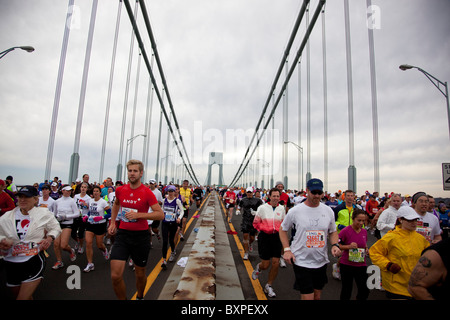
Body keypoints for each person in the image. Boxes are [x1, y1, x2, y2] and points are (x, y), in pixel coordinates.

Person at [108, 159, 164, 300]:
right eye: (130, 171)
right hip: (123, 234)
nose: (132, 174)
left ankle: (140, 296)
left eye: (135, 171)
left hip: (141, 237)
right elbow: (116, 204)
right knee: (115, 275)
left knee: (140, 274)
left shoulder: (147, 192)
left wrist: (139, 215)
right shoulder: (120, 190)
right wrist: (113, 223)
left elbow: (160, 214)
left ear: (141, 173)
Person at [280, 178, 341, 300]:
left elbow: (333, 231)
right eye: (314, 192)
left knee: (317, 296)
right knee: (308, 297)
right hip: (301, 260)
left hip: (321, 260)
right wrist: (287, 250)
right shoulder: (295, 211)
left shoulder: (328, 211)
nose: (317, 196)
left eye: (319, 193)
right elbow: (282, 229)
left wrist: (335, 245)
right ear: (307, 191)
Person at [0, 185, 61, 300]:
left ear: (35, 199)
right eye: (20, 197)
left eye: (26, 197)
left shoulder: (43, 213)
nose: (22, 200)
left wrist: (49, 238)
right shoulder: (8, 216)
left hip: (33, 260)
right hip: (11, 262)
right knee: (24, 297)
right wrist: (2, 240)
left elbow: (55, 228)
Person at [369, 206, 430, 299]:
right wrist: (388, 265)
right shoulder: (391, 237)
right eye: (410, 220)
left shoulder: (420, 239)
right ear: (400, 220)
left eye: (415, 220)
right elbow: (374, 252)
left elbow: (428, 256)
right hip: (395, 287)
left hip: (415, 286)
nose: (414, 223)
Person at [252, 188, 286, 298]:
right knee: (266, 265)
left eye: (277, 196)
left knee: (276, 262)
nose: (276, 198)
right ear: (269, 197)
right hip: (265, 237)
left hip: (277, 237)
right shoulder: (262, 208)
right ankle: (259, 267)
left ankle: (269, 285)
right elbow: (256, 223)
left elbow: (283, 223)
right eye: (274, 196)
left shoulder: (282, 208)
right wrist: (266, 228)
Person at [338, 209, 370, 300]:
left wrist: (366, 249)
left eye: (363, 221)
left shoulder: (364, 231)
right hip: (347, 264)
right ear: (353, 219)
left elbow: (364, 243)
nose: (361, 223)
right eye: (359, 220)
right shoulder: (345, 231)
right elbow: (338, 246)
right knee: (347, 290)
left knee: (364, 290)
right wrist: (349, 246)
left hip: (361, 264)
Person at [81, 185, 110, 272]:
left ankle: (104, 250)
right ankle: (90, 264)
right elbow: (90, 211)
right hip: (90, 224)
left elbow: (110, 213)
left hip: (100, 225)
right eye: (94, 191)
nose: (95, 193)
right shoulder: (90, 201)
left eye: (97, 191)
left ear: (100, 193)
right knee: (88, 243)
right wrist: (86, 216)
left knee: (99, 244)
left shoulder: (103, 202)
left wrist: (101, 217)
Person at [52, 185, 79, 269]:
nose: (68, 192)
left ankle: (71, 250)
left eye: (70, 191)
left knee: (63, 245)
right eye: (66, 190)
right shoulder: (57, 201)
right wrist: (56, 217)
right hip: (58, 223)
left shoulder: (72, 201)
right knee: (56, 244)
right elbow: (54, 213)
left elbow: (77, 213)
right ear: (62, 191)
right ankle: (59, 261)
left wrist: (66, 216)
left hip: (67, 223)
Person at [160, 185, 184, 270]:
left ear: (174, 192)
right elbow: (161, 209)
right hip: (165, 223)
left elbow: (182, 211)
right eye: (169, 191)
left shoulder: (177, 201)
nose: (170, 193)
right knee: (165, 241)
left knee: (171, 240)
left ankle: (173, 251)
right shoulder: (164, 200)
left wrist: (179, 218)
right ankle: (164, 260)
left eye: (172, 191)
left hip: (173, 223)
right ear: (167, 192)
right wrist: (161, 215)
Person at [239, 187, 263, 260]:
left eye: (250, 192)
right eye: (248, 192)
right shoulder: (243, 200)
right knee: (245, 236)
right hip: (246, 220)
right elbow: (239, 206)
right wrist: (238, 210)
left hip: (254, 220)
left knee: (252, 238)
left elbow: (262, 208)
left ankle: (250, 244)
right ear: (246, 192)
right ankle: (246, 253)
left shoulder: (258, 200)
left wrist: (257, 213)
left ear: (253, 193)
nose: (249, 193)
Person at [73, 182, 90, 254]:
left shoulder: (88, 198)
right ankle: (77, 241)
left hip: (83, 216)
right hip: (76, 215)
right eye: (82, 187)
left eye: (85, 187)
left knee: (81, 232)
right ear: (80, 188)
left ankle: (81, 246)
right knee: (72, 232)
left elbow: (90, 208)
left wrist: (86, 205)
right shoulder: (76, 196)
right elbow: (73, 205)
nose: (83, 188)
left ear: (87, 189)